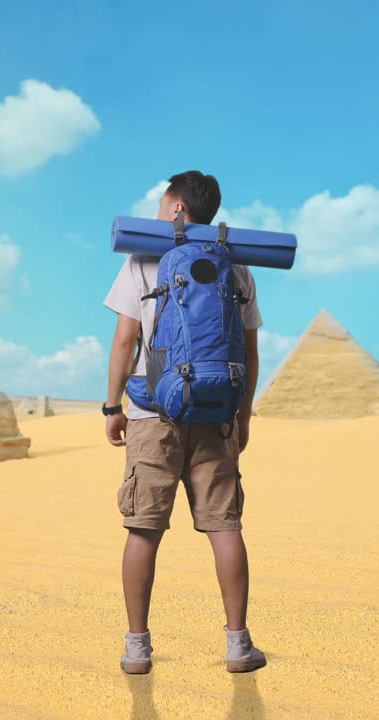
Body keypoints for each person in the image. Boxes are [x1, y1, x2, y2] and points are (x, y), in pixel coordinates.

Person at [102, 170, 267, 674]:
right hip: (217, 414)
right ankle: (238, 645)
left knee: (143, 530)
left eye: (161, 201)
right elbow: (252, 350)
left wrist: (113, 408)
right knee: (225, 527)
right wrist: (242, 415)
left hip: (155, 412)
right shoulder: (236, 267)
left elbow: (126, 342)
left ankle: (137, 647)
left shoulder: (142, 259)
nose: (156, 210)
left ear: (176, 208)